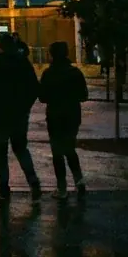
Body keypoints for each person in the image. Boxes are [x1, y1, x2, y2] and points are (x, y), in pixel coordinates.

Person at [0, 32, 42, 201]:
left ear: (0, 47)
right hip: (18, 116)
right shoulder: (23, 63)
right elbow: (33, 88)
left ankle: (3, 189)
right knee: (21, 149)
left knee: (0, 153)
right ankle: (33, 183)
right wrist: (24, 108)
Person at [39, 41, 88, 198]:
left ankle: (62, 188)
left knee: (57, 152)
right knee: (69, 147)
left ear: (52, 54)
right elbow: (84, 95)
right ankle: (79, 179)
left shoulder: (48, 74)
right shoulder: (75, 73)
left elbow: (42, 97)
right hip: (72, 115)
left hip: (55, 116)